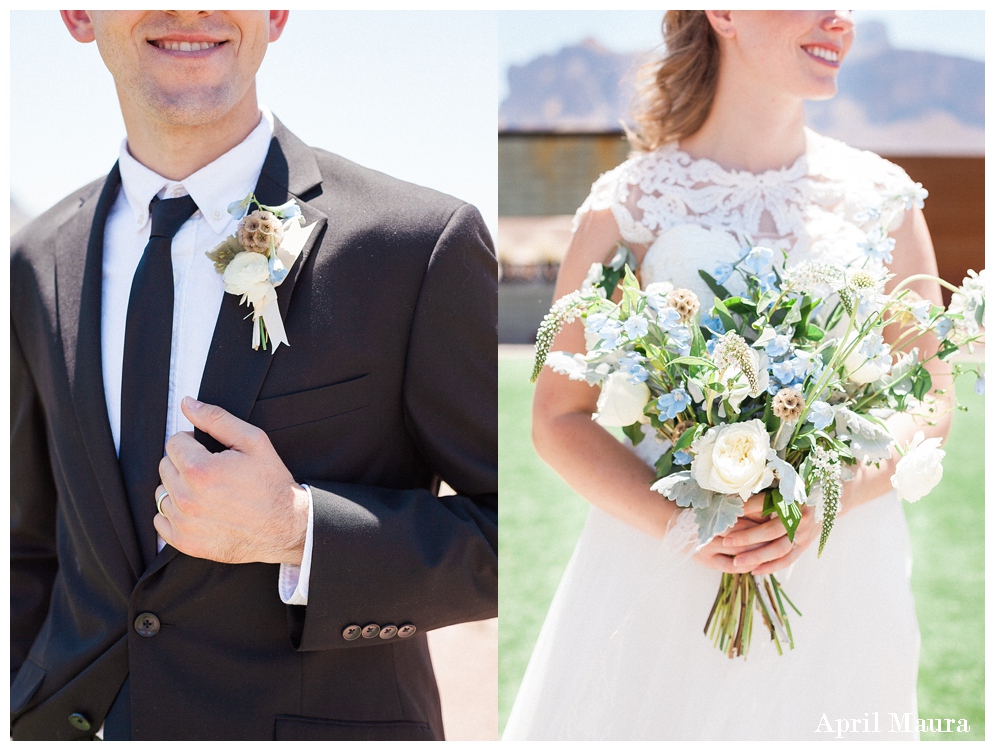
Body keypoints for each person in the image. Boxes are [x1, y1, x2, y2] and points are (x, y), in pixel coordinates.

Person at [10, 10, 497, 741]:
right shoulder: (36, 259)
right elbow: (29, 543)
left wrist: (298, 529)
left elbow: (506, 531)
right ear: (79, 15)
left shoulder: (417, 247)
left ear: (275, 13)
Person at [504, 10, 950, 741]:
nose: (839, 17)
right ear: (722, 14)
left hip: (840, 570)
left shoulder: (885, 201)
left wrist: (826, 500)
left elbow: (930, 396)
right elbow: (557, 414)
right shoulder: (626, 204)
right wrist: (686, 527)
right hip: (664, 566)